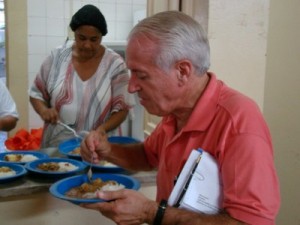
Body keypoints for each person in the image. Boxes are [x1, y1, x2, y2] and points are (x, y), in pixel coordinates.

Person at [80, 11, 280, 225]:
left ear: (183, 71)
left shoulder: (239, 121)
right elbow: (148, 156)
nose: (132, 87)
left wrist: (152, 212)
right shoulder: (174, 112)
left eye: (142, 75)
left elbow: (252, 222)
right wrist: (108, 150)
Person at [29, 4, 134, 148]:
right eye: (82, 38)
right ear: (74, 33)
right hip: (57, 145)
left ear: (101, 37)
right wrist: (43, 110)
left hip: (98, 147)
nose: (87, 45)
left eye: (94, 39)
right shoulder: (57, 57)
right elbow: (36, 93)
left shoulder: (115, 64)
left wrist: (101, 129)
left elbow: (123, 108)